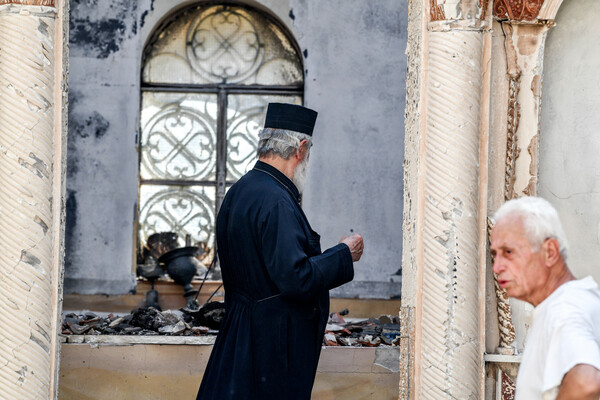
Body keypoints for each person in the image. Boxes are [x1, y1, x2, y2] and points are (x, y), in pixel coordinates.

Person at [196, 103, 364, 400]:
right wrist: (343, 253)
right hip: (270, 344)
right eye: (308, 152)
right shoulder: (276, 200)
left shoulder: (242, 189)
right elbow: (294, 278)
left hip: (242, 333)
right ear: (301, 148)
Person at [490, 196, 600, 400]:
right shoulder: (562, 305)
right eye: (495, 254)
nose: (497, 267)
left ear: (550, 252)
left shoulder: (565, 307)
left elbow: (587, 383)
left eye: (508, 252)